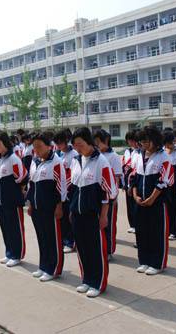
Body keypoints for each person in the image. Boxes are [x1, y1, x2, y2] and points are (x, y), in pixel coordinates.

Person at [69, 127, 117, 297]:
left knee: (96, 249)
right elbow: (72, 188)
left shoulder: (101, 161)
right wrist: (71, 209)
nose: (77, 148)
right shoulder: (75, 160)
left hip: (93, 214)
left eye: (80, 144)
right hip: (77, 213)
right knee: (82, 247)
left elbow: (109, 192)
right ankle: (86, 279)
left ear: (89, 142)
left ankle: (98, 283)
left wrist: (104, 215)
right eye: (75, 145)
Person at [27, 132, 67, 281]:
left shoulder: (56, 162)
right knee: (41, 237)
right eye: (34, 147)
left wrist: (59, 206)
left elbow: (61, 185)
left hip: (51, 207)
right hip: (37, 207)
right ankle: (43, 265)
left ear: (49, 146)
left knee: (53, 238)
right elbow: (31, 184)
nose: (36, 149)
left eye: (39, 146)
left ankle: (54, 268)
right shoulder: (34, 160)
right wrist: (30, 204)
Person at [132, 126, 172, 274]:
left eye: (147, 141)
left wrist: (151, 198)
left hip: (156, 202)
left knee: (157, 233)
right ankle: (144, 260)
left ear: (155, 141)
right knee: (142, 232)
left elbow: (163, 180)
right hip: (140, 201)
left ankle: (157, 263)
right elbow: (134, 177)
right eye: (142, 142)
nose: (144, 145)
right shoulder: (138, 156)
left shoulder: (163, 157)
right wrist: (135, 195)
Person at [0, 131, 28, 267]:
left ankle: (17, 255)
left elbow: (23, 178)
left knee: (15, 228)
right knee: (5, 228)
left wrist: (17, 194)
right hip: (1, 201)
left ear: (5, 142)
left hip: (12, 201)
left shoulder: (13, 159)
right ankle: (9, 253)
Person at [94, 130, 122, 259]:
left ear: (105, 141)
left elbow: (116, 178)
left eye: (98, 142)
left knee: (109, 224)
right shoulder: (95, 155)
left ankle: (109, 250)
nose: (96, 144)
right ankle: (100, 247)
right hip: (97, 194)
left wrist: (114, 196)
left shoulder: (113, 156)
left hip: (110, 195)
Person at [53, 130, 79, 253]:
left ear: (66, 141)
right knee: (61, 217)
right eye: (56, 143)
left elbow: (73, 174)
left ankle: (71, 241)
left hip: (69, 190)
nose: (58, 145)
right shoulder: (57, 154)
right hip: (60, 190)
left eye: (60, 143)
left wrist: (66, 188)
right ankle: (64, 239)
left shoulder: (73, 154)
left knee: (69, 217)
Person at [163, 130, 176, 240]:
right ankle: (168, 229)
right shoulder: (162, 151)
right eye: (165, 144)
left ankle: (175, 231)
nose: (167, 146)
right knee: (167, 206)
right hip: (166, 183)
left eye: (169, 143)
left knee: (175, 207)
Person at [122, 130, 139, 234]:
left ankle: (137, 224)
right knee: (129, 205)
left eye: (132, 140)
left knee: (135, 204)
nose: (130, 143)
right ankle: (132, 224)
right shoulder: (127, 151)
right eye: (128, 141)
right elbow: (125, 166)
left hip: (135, 181)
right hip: (128, 179)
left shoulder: (139, 152)